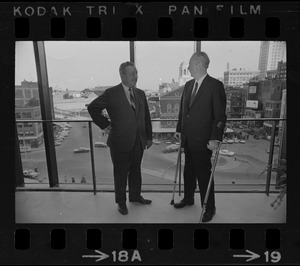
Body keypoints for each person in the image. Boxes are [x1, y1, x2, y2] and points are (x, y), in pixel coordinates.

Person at [88, 61, 153, 215]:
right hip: (119, 141)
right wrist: (105, 124)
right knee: (121, 173)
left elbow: (146, 117)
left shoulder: (141, 93)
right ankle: (121, 203)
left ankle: (135, 196)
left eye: (136, 73)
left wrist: (149, 137)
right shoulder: (111, 93)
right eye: (132, 73)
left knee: (136, 170)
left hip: (138, 141)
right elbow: (93, 108)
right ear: (122, 75)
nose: (135, 77)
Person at [174, 52, 227, 223]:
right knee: (188, 170)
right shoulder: (189, 85)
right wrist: (179, 129)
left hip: (204, 140)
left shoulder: (215, 85)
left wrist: (215, 138)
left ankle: (209, 208)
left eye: (190, 64)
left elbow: (220, 116)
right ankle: (189, 198)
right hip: (188, 138)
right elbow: (184, 111)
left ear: (199, 64)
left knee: (204, 175)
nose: (188, 67)